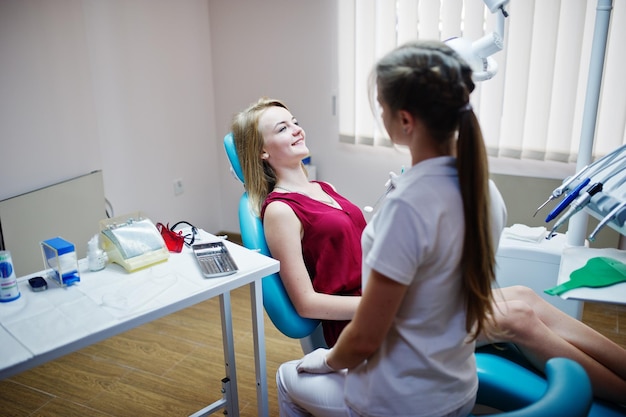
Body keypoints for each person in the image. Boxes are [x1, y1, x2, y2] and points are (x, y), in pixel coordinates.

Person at [270, 40, 626, 417]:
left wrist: (327, 360)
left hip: (399, 397)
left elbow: (366, 339)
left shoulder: (405, 208)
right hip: (457, 385)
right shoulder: (482, 186)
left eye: (382, 107)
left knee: (287, 377)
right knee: (519, 304)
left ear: (405, 120)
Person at [231, 97, 364, 347]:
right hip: (357, 326)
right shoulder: (281, 210)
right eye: (283, 128)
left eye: (295, 122)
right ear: (262, 151)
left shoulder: (325, 188)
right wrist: (381, 305)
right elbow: (306, 304)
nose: (297, 130)